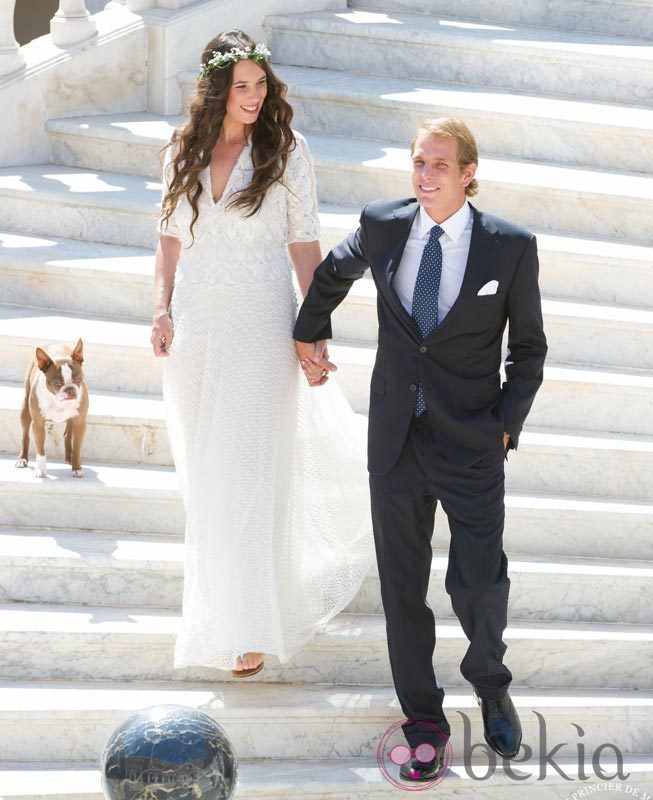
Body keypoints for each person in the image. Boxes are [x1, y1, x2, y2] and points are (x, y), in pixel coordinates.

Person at [294, 118, 547, 781]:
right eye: (417, 163)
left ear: (468, 171)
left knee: (478, 580)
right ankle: (424, 723)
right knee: (403, 590)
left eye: (439, 165)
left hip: (470, 441)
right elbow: (331, 272)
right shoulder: (383, 224)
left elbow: (529, 350)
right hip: (396, 439)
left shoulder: (509, 248)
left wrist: (504, 423)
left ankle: (489, 682)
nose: (424, 175)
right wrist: (308, 331)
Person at [151, 29, 374, 678]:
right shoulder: (181, 150)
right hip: (196, 330)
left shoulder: (288, 152)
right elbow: (168, 239)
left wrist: (314, 329)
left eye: (260, 84)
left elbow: (304, 246)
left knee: (248, 475)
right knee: (210, 482)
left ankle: (248, 631)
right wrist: (160, 308)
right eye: (240, 85)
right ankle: (222, 616)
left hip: (259, 325)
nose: (253, 96)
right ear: (216, 89)